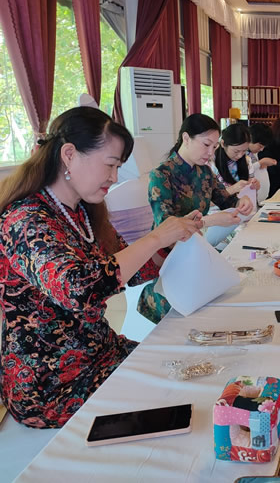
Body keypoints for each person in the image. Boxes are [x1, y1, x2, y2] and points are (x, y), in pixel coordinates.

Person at [0, 107, 203, 428]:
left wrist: (173, 243)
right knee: (175, 400)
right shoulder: (25, 219)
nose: (114, 177)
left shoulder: (81, 213)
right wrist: (155, 238)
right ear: (69, 154)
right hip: (52, 383)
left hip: (100, 352)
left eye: (118, 167)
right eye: (110, 165)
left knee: (190, 372)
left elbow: (131, 268)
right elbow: (79, 291)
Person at [138, 114, 254, 324]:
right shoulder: (162, 175)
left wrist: (241, 201)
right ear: (186, 138)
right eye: (206, 145)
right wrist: (210, 221)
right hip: (169, 258)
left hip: (196, 251)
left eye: (214, 147)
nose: (210, 153)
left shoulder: (205, 172)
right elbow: (166, 228)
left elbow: (225, 199)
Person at [212, 123, 260, 195]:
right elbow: (208, 198)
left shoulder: (247, 160)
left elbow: (250, 184)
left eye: (244, 151)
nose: (240, 155)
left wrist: (255, 186)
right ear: (222, 143)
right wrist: (233, 189)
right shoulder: (211, 164)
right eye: (236, 151)